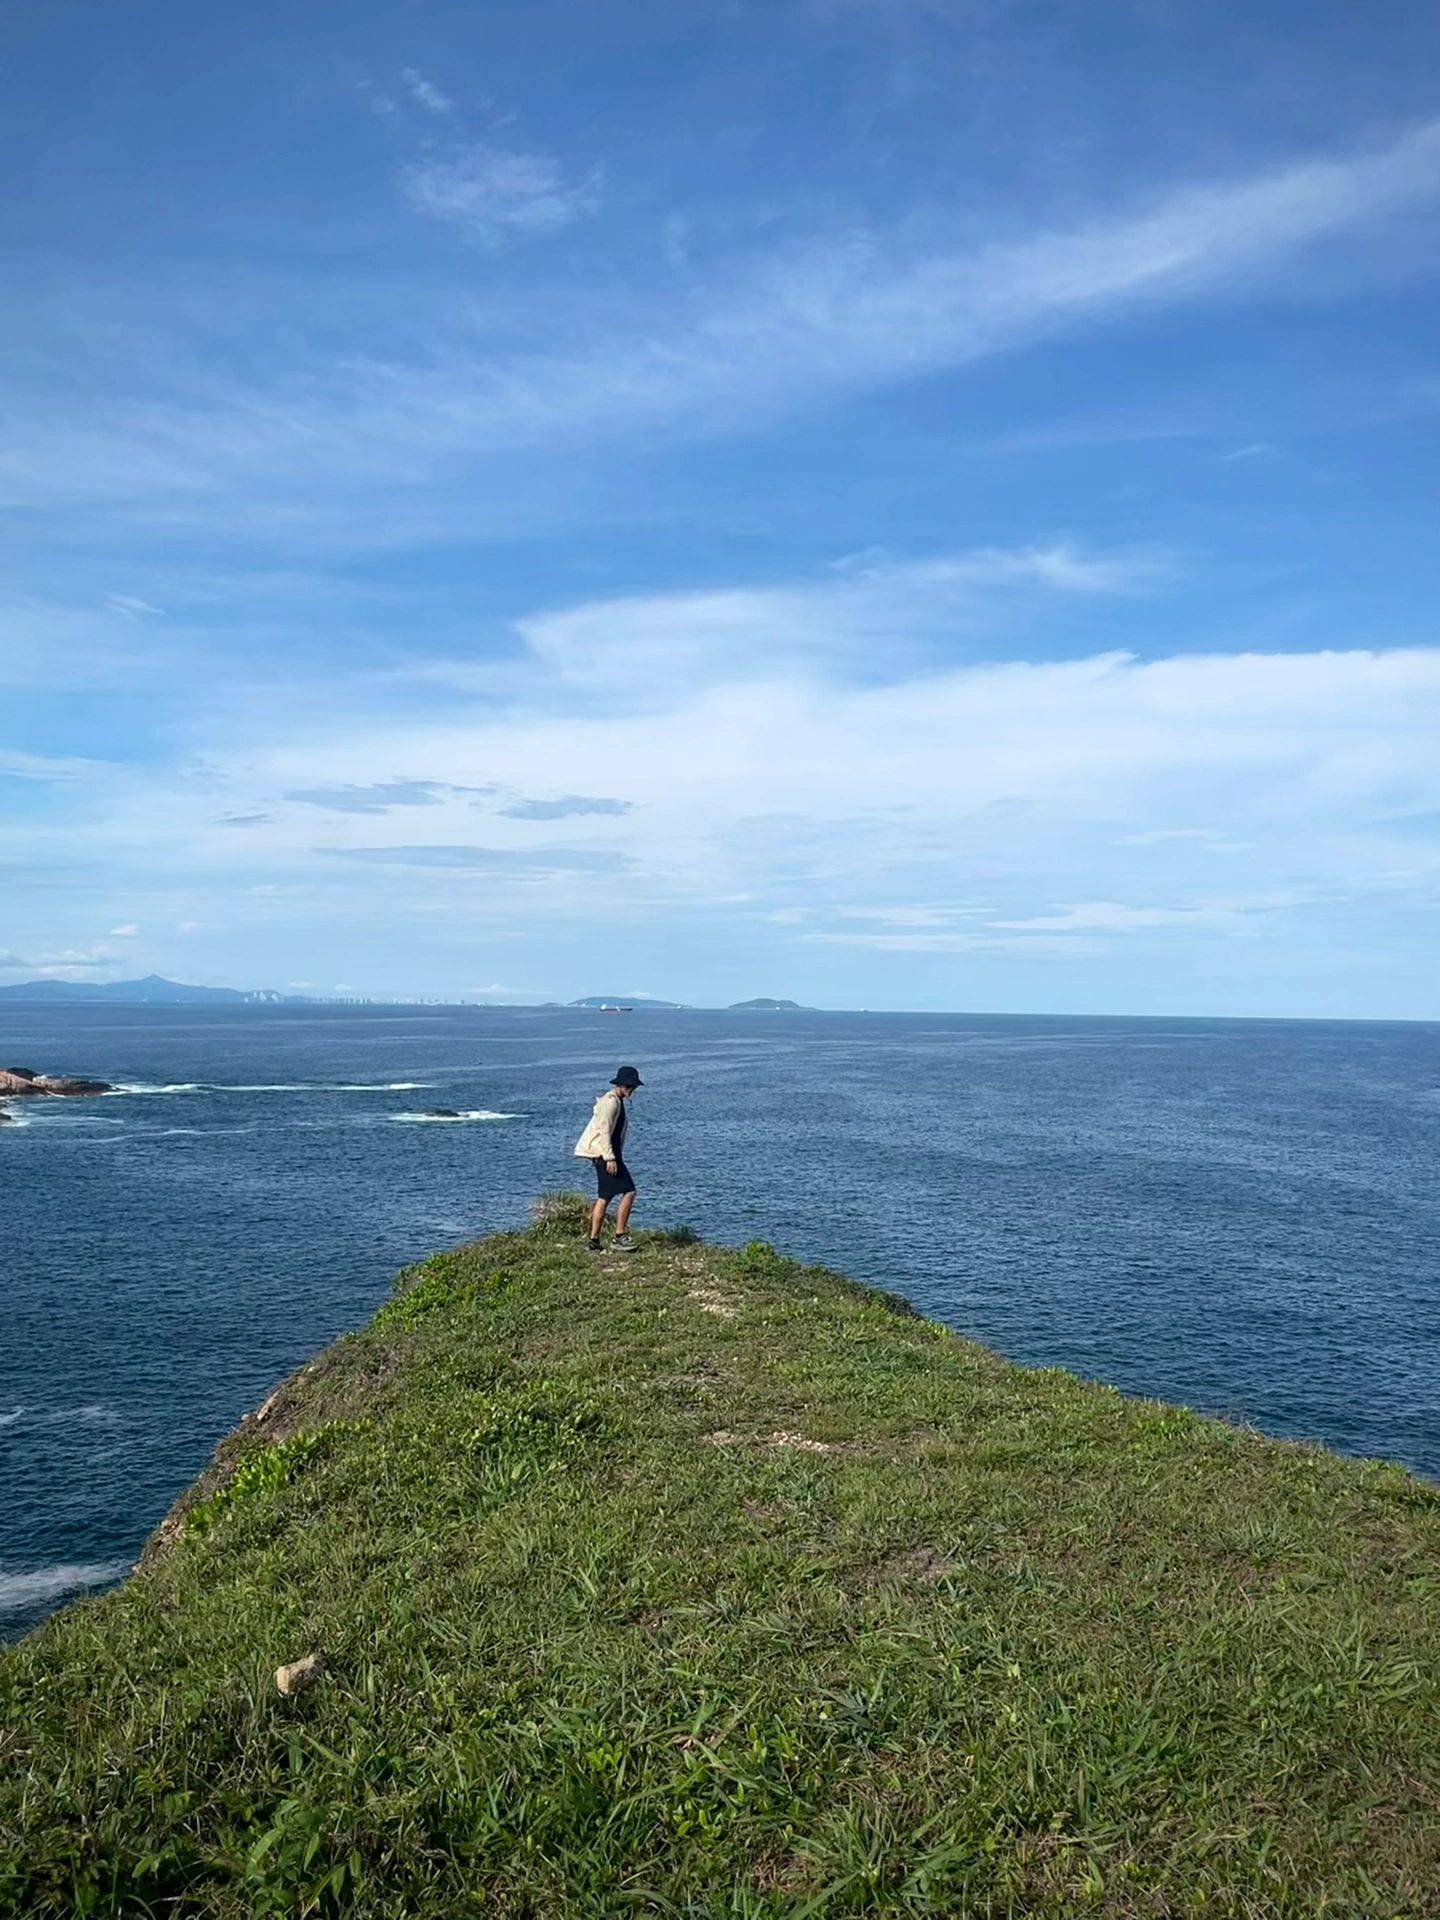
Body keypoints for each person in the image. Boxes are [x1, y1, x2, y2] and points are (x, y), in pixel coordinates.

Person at [573, 1066, 643, 1251]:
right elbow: (604, 1132)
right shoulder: (610, 1103)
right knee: (629, 1191)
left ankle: (594, 1241)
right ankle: (619, 1236)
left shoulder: (617, 1101)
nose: (631, 1090)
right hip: (606, 1156)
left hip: (606, 1155)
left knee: (605, 1197)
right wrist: (611, 1158)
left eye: (633, 1087)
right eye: (629, 1086)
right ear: (619, 1084)